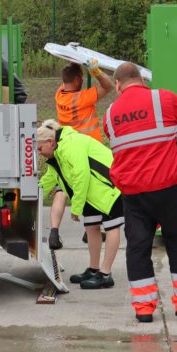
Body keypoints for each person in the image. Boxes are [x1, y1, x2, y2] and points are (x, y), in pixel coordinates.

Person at [103, 62, 177, 323]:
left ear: (117, 85)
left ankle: (144, 310)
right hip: (169, 188)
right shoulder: (164, 99)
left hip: (134, 195)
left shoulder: (110, 114)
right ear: (142, 80)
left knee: (138, 248)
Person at [37, 119, 124, 289]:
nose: (39, 153)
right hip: (93, 193)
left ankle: (105, 274)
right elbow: (50, 178)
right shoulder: (57, 151)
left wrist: (76, 207)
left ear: (50, 142)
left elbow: (81, 175)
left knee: (112, 227)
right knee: (91, 227)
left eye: (40, 149)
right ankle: (94, 269)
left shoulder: (71, 144)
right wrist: (32, 193)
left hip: (110, 187)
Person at [48, 58, 114, 250]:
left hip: (66, 148)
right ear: (78, 80)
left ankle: (54, 231)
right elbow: (108, 86)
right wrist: (94, 71)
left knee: (62, 189)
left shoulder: (59, 95)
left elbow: (67, 80)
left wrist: (73, 60)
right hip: (86, 150)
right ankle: (90, 230)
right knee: (90, 190)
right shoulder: (83, 98)